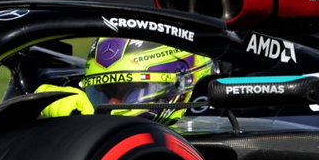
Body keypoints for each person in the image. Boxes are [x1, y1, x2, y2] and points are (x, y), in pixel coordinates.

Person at [37, 37, 213, 125]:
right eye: (103, 93)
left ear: (183, 82)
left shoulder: (222, 122)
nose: (112, 104)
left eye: (131, 90)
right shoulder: (83, 112)